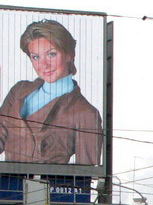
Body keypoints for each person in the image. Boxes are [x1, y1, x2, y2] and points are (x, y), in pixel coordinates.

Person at [0, 20, 103, 165]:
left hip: (49, 186)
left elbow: (84, 176)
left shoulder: (86, 113)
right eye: (36, 57)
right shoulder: (18, 91)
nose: (43, 65)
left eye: (51, 54)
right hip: (7, 185)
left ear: (69, 54)